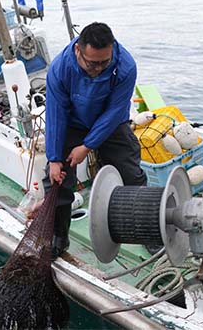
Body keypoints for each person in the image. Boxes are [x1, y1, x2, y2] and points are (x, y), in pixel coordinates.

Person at [43, 22, 147, 259]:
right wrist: (54, 158)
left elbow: (114, 111)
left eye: (104, 62)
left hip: (111, 122)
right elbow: (56, 113)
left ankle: (144, 229)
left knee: (131, 174)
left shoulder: (126, 66)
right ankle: (59, 236)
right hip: (72, 122)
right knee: (55, 180)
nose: (98, 68)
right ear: (78, 50)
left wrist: (87, 146)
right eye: (92, 63)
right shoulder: (60, 68)